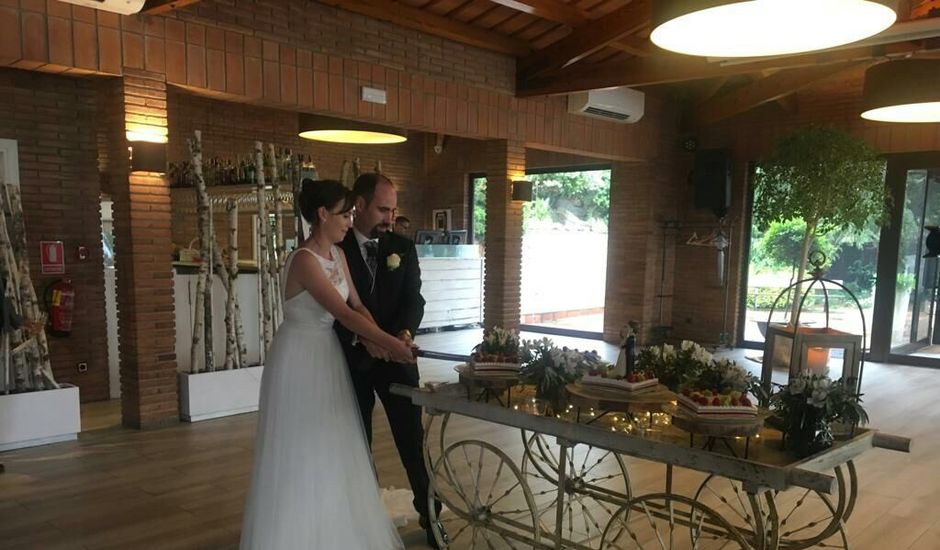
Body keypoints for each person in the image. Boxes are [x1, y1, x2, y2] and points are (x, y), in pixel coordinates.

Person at [240, 179, 414, 550]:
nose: (350, 221)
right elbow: (342, 315)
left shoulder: (336, 254)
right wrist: (390, 346)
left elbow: (357, 306)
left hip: (327, 356)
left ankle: (333, 524)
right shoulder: (303, 260)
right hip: (299, 357)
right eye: (345, 214)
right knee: (301, 444)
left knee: (333, 440)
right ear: (322, 215)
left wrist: (379, 337)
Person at [336, 173, 445, 549]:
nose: (389, 216)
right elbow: (336, 308)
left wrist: (405, 335)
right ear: (360, 205)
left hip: (397, 359)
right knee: (356, 443)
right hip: (349, 361)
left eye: (393, 209)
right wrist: (365, 339)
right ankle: (362, 520)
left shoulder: (403, 246)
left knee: (412, 442)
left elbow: (414, 300)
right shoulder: (336, 245)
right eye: (383, 208)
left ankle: (431, 518)